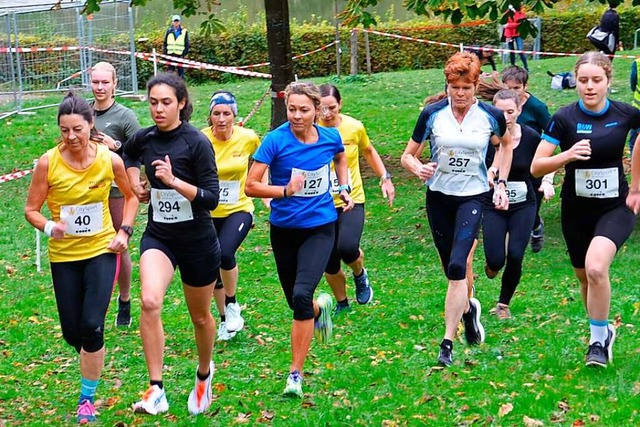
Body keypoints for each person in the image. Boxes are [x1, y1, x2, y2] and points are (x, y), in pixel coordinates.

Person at [24, 92, 138, 424]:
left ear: (91, 126)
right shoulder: (48, 162)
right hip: (63, 256)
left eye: (78, 129)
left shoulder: (109, 160)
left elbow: (130, 197)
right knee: (73, 334)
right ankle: (93, 353)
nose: (71, 137)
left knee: (92, 326)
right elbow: (31, 209)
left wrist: (125, 231)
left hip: (102, 250)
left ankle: (86, 399)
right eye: (64, 130)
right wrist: (48, 226)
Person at [401, 51, 513, 367]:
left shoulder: (490, 116)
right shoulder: (432, 114)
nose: (460, 95)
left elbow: (506, 145)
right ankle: (468, 309)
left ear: (476, 85)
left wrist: (500, 182)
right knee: (451, 268)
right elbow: (408, 154)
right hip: (439, 198)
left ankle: (447, 344)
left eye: (466, 88)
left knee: (456, 266)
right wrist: (416, 167)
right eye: (454, 88)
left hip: (473, 198)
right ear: (447, 85)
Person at [245, 81, 354, 397]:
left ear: (317, 110)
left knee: (301, 295)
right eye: (291, 109)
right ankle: (321, 311)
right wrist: (284, 191)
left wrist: (343, 188)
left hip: (321, 228)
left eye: (303, 110)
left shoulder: (330, 137)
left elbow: (341, 159)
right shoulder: (274, 141)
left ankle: (295, 374)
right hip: (284, 230)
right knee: (297, 300)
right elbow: (251, 186)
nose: (296, 115)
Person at [532, 51, 640, 368]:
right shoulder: (563, 118)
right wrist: (567, 156)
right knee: (584, 278)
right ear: (575, 82)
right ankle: (602, 330)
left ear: (609, 81)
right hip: (576, 210)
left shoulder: (626, 114)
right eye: (583, 81)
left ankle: (596, 343)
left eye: (596, 80)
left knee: (596, 268)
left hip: (615, 208)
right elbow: (537, 167)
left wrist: (636, 187)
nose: (589, 87)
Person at [124, 73, 220, 414]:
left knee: (200, 317)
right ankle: (156, 389)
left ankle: (204, 375)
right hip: (159, 235)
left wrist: (172, 180)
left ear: (181, 103)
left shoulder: (196, 142)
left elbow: (211, 199)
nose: (158, 109)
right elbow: (128, 155)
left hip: (196, 239)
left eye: (166, 102)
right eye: (153, 103)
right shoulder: (145, 138)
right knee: (149, 301)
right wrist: (136, 182)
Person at [318, 84, 395, 313]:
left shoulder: (354, 128)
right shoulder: (311, 131)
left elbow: (369, 151)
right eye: (322, 109)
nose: (327, 114)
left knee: (347, 247)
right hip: (320, 203)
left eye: (331, 108)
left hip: (351, 198)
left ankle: (360, 274)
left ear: (340, 104)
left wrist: (385, 177)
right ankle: (342, 303)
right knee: (329, 261)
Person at [201, 91, 262, 341]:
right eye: (217, 113)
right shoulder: (200, 139)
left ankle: (232, 303)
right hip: (206, 212)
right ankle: (226, 319)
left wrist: (266, 194)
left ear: (235, 115)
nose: (222, 119)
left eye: (227, 113)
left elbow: (263, 163)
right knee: (210, 265)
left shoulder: (248, 138)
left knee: (224, 253)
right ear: (210, 116)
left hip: (239, 208)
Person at [89, 61, 141, 327]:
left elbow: (138, 152)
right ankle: (96, 302)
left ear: (114, 84)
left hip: (117, 191)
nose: (100, 87)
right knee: (93, 247)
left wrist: (116, 145)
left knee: (119, 246)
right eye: (96, 82)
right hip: (89, 194)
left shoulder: (124, 116)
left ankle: (125, 300)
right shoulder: (84, 113)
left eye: (104, 82)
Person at [483, 89, 541, 319]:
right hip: (492, 204)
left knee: (516, 254)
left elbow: (546, 160)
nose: (505, 116)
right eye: (500, 111)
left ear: (519, 110)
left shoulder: (532, 137)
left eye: (510, 111)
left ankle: (503, 304)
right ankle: (493, 265)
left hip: (523, 204)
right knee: (496, 259)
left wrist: (546, 181)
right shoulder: (486, 138)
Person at [501, 65, 553, 253]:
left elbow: (552, 132)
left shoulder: (537, 107)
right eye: (509, 88)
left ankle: (536, 226)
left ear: (525, 86)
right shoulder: (500, 106)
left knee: (531, 208)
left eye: (517, 88)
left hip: (532, 165)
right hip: (507, 164)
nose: (513, 92)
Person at [503, 4, 529, 72]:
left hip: (518, 33)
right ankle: (512, 67)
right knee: (511, 51)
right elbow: (505, 24)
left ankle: (526, 67)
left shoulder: (521, 12)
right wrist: (508, 36)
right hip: (509, 34)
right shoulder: (507, 12)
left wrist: (509, 25)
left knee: (520, 50)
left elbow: (519, 23)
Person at [163, 15, 189, 79]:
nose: (176, 23)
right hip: (170, 55)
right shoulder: (169, 31)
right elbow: (165, 43)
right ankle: (170, 85)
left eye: (177, 21)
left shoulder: (184, 31)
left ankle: (181, 86)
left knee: (181, 72)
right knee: (170, 72)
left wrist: (184, 53)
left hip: (179, 55)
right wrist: (165, 53)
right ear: (172, 22)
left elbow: (187, 43)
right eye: (175, 21)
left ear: (179, 22)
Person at [629, 58, 640, 154]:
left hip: (638, 109)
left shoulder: (637, 63)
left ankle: (635, 166)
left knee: (634, 142)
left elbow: (633, 85)